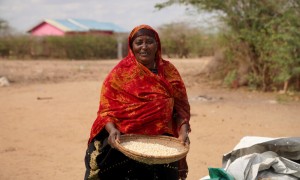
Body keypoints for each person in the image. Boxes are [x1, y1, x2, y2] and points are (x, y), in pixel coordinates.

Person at [84, 24, 191, 180]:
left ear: (157, 45)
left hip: (162, 143)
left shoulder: (169, 71)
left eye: (149, 42)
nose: (144, 47)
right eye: (139, 42)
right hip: (124, 140)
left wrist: (183, 132)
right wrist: (112, 130)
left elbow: (180, 109)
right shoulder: (120, 74)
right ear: (131, 46)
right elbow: (106, 111)